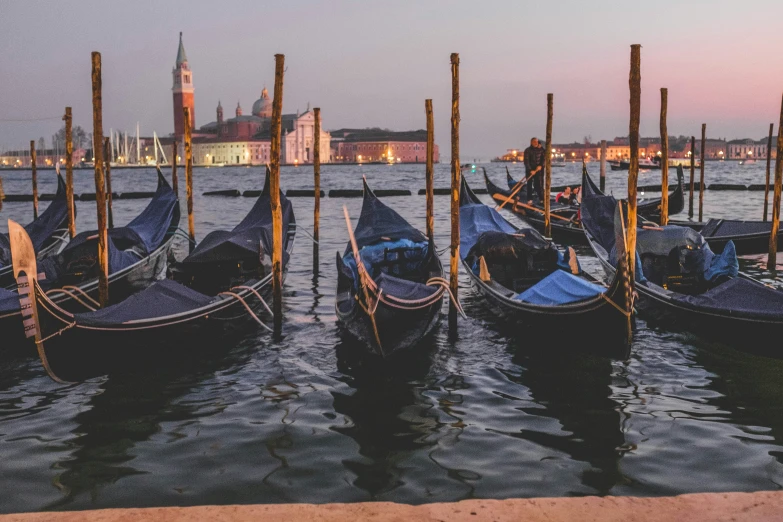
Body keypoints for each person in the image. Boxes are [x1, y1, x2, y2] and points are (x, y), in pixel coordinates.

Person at [523, 138, 545, 203]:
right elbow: (526, 161)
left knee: (539, 185)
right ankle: (529, 199)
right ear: (531, 142)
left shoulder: (541, 150)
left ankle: (541, 199)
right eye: (534, 142)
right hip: (529, 170)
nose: (536, 143)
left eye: (537, 142)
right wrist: (530, 170)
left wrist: (541, 165)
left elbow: (544, 159)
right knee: (529, 184)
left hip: (538, 170)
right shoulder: (527, 150)